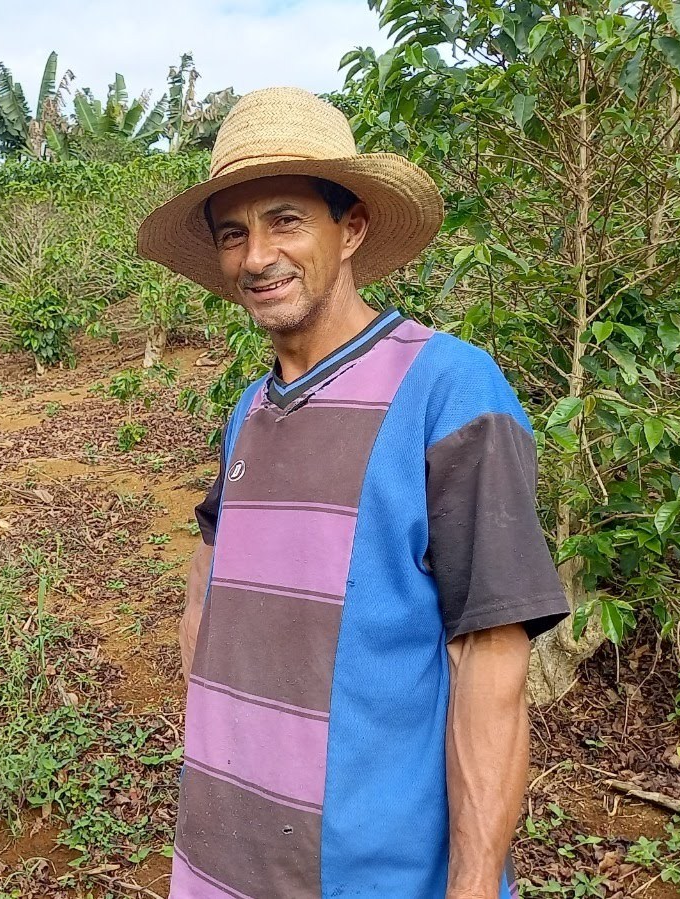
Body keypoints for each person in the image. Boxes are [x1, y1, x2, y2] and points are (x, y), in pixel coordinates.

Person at [136, 87, 570, 898]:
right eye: (234, 233)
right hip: (222, 861)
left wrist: (472, 887)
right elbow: (210, 577)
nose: (257, 255)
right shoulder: (249, 409)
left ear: (353, 227)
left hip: (376, 872)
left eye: (286, 219)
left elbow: (491, 661)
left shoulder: (451, 391)